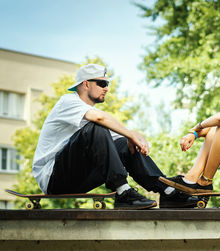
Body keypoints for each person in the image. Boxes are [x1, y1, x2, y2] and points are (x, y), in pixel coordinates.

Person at [32, 64, 197, 209]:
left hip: (78, 179)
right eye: (102, 83)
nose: (107, 88)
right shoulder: (67, 101)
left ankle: (165, 190)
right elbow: (99, 119)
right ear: (85, 84)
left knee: (124, 143)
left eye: (107, 84)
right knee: (98, 128)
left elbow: (121, 135)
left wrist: (134, 137)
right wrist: (131, 134)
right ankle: (123, 191)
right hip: (53, 178)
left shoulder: (95, 118)